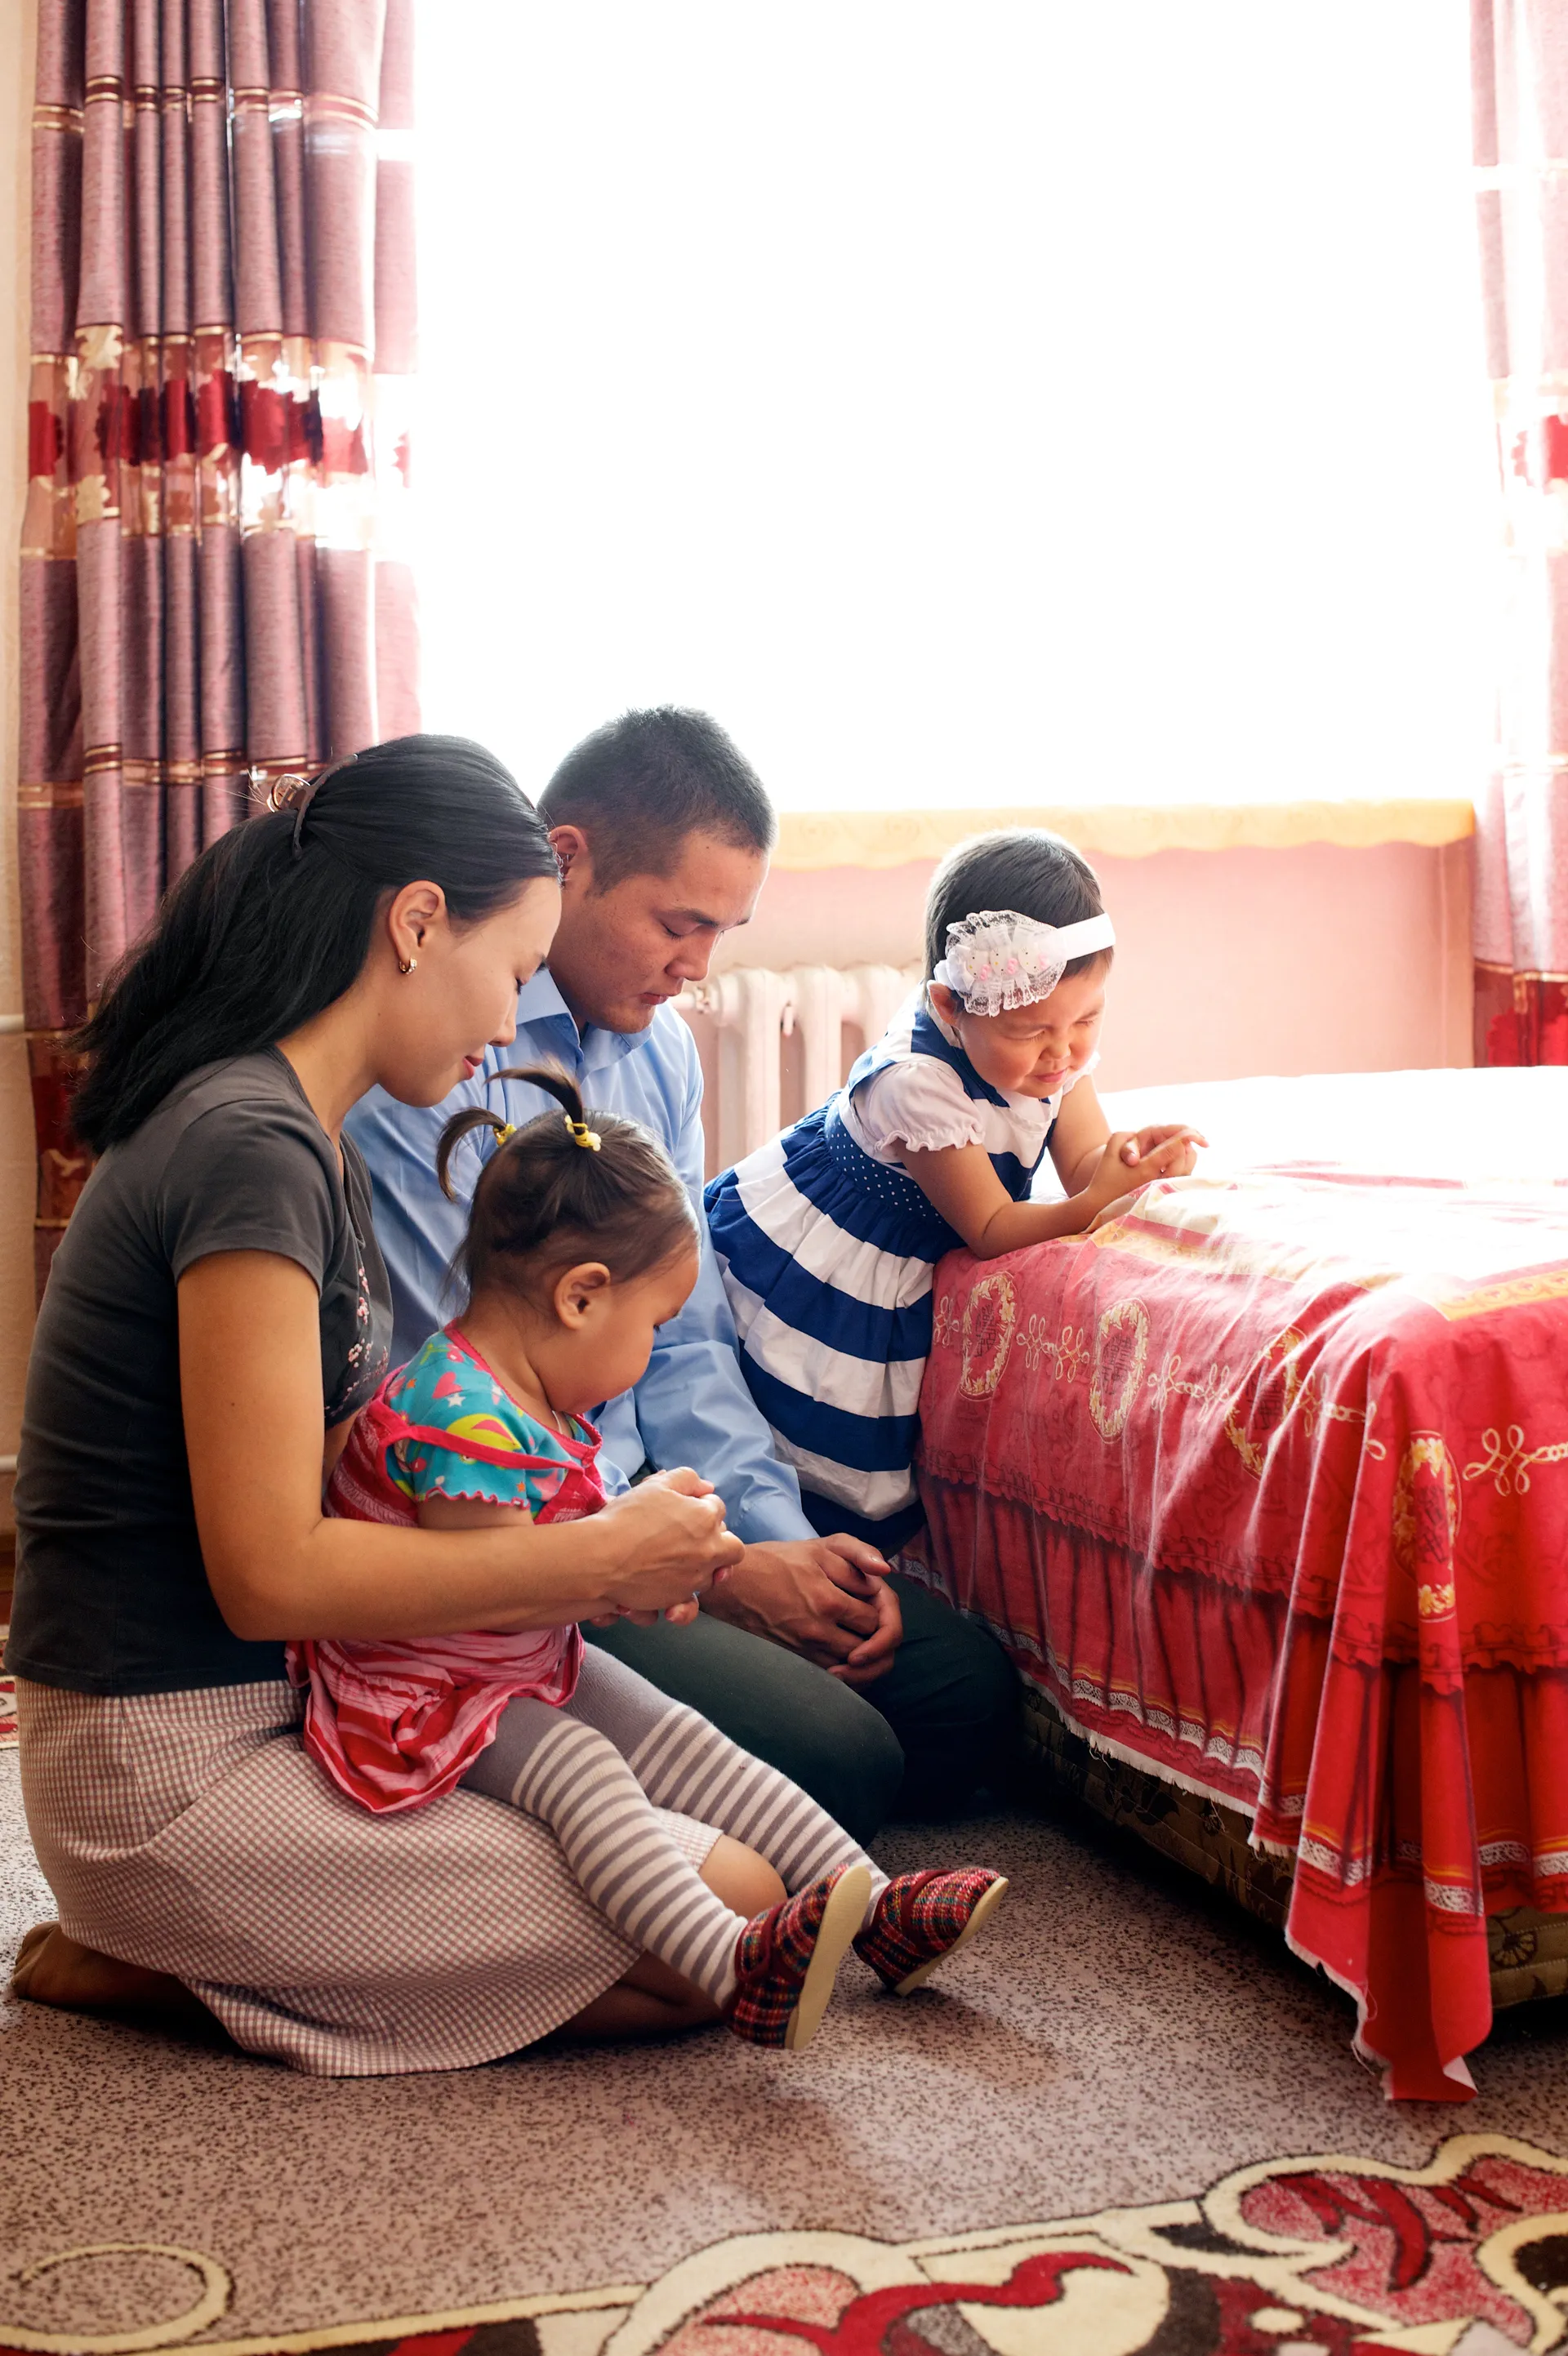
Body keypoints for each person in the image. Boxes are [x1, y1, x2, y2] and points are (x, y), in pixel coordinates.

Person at [5, 737, 788, 2073]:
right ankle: (152, 1955)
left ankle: (231, 1946)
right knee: (719, 1920)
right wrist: (597, 1558)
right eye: (514, 971)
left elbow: (345, 1489)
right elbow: (269, 1575)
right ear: (418, 924)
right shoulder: (251, 1149)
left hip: (301, 1711)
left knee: (733, 1872)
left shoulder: (311, 1146)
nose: (508, 1024)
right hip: (165, 1768)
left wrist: (566, 1548)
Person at [345, 709, 1018, 1842]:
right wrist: (715, 1575)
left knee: (969, 1690)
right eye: (679, 923)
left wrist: (764, 1535)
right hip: (524, 1532)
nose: (699, 968)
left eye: (724, 932)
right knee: (843, 1759)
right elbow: (455, 1382)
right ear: (567, 862)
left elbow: (689, 1335)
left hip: (669, 1515)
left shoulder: (658, 1053)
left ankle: (723, 1770)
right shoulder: (439, 1057)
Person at [295, 1067, 1008, 2051]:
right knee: (588, 1768)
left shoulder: (530, 1393)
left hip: (515, 1671)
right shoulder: (458, 1415)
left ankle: (879, 1909)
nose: (655, 1347)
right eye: (655, 1326)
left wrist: (650, 1550)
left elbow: (568, 1537)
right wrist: (621, 1566)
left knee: (683, 1738)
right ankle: (728, 1963)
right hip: (428, 1693)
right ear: (583, 1297)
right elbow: (504, 1592)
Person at [706, 830, 1205, 1548]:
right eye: (1032, 1030)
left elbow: (1087, 1159)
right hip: (844, 1253)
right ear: (949, 1004)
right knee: (819, 1429)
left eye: (1087, 1019)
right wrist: (1096, 1204)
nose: (1062, 1052)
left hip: (931, 1230)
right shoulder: (919, 1085)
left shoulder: (1052, 1051)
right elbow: (992, 1228)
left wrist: (1132, 1161)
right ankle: (790, 1546)